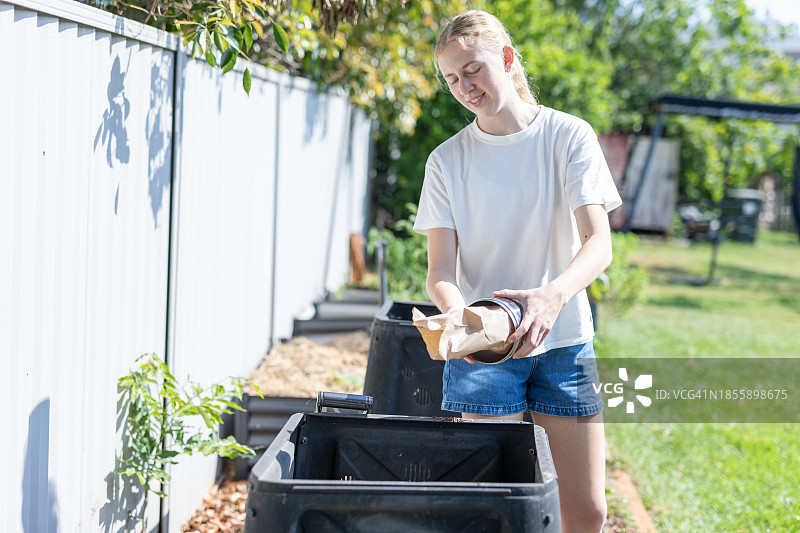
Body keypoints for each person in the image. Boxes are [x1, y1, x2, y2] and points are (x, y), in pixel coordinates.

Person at [413, 10, 622, 533]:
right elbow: (440, 270)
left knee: (587, 511)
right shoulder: (446, 161)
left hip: (564, 343)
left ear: (507, 59)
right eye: (452, 79)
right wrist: (463, 319)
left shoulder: (568, 136)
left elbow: (599, 243)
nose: (465, 88)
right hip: (485, 353)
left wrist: (552, 296)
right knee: (492, 514)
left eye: (473, 70)